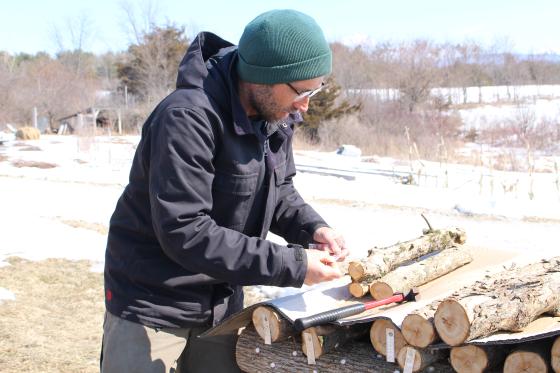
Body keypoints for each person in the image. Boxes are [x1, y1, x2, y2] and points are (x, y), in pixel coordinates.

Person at [100, 9, 349, 373]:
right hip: (152, 301)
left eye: (316, 88)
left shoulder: (274, 115)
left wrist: (313, 228)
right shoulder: (186, 118)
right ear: (263, 78)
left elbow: (278, 190)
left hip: (220, 303)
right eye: (301, 90)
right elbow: (186, 231)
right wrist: (293, 265)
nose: (305, 105)